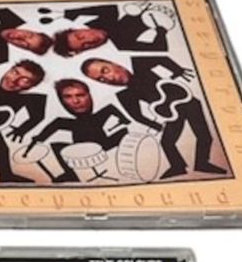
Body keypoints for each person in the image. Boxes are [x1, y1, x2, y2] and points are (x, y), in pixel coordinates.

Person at [82, 56, 227, 178]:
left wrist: (178, 70)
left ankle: (202, 163)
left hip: (188, 102)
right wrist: (156, 125)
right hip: (171, 114)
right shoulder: (125, 95)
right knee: (167, 142)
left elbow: (162, 59)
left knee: (204, 135)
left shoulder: (138, 64)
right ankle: (178, 166)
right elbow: (137, 116)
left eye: (105, 70)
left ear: (115, 63)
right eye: (101, 79)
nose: (109, 78)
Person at [26, 80, 130, 182]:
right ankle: (71, 174)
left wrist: (124, 119)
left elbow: (111, 109)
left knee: (125, 133)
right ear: (61, 100)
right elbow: (52, 127)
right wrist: (38, 138)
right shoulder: (66, 122)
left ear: (89, 95)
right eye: (68, 97)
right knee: (57, 146)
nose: (76, 101)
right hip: (79, 149)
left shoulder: (97, 117)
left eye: (80, 95)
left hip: (102, 146)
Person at [55, 2, 172, 54]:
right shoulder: (122, 44)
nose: (90, 40)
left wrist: (70, 13)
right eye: (85, 46)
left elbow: (110, 9)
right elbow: (160, 47)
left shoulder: (101, 19)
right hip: (164, 20)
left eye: (81, 36)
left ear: (79, 29)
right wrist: (161, 32)